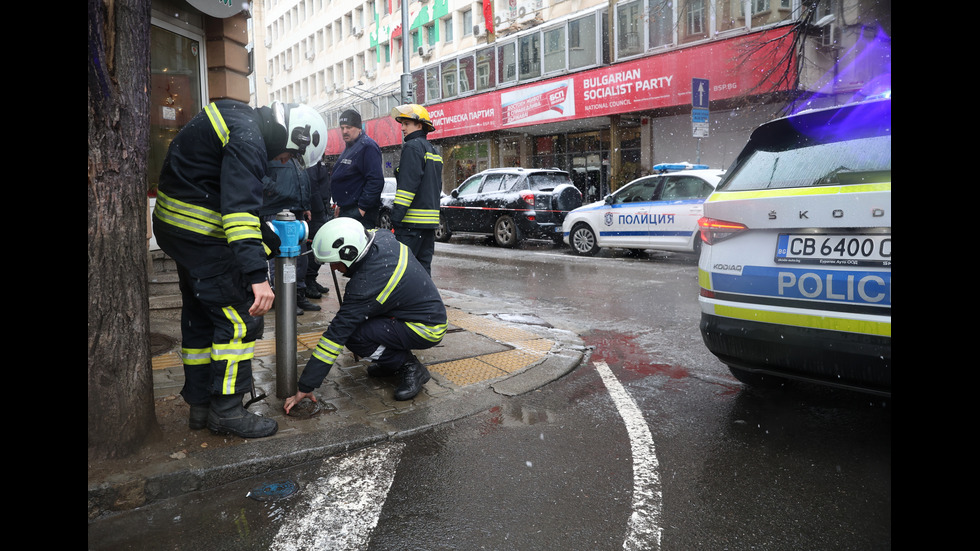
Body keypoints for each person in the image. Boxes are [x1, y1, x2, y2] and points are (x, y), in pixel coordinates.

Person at [153, 100, 326, 439]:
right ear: (290, 136)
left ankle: (200, 408)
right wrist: (258, 278)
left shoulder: (238, 119)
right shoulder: (249, 138)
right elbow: (238, 211)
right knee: (240, 320)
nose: (282, 161)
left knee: (202, 319)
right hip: (201, 235)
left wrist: (271, 243)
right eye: (289, 155)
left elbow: (227, 196)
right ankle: (228, 412)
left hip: (181, 231)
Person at [283, 217, 447, 414]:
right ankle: (391, 361)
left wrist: (306, 386)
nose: (333, 268)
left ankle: (409, 367)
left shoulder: (367, 283)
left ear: (349, 253)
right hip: (414, 313)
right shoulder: (381, 238)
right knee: (362, 325)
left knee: (354, 336)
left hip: (426, 328)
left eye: (334, 263)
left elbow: (335, 336)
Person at [259, 154, 321, 313]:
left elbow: (302, 181)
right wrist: (273, 190)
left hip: (295, 210)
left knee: (300, 257)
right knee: (279, 256)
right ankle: (282, 298)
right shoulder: (272, 149)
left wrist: (305, 205)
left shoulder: (295, 155)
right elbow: (257, 175)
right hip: (275, 209)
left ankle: (298, 295)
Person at [389, 104, 443, 274]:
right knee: (423, 270)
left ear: (419, 125)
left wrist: (395, 218)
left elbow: (407, 189)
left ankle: (406, 301)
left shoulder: (412, 147)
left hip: (411, 225)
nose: (403, 128)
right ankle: (426, 300)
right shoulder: (433, 151)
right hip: (428, 226)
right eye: (402, 124)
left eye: (406, 124)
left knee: (403, 270)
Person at [330, 109, 385, 229]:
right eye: (342, 128)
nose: (345, 131)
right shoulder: (350, 147)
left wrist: (362, 208)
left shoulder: (367, 146)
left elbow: (376, 180)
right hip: (347, 210)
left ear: (359, 128)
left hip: (359, 213)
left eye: (349, 127)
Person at [303, 154, 333, 299]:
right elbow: (312, 186)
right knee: (314, 248)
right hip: (316, 212)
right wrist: (320, 209)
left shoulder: (318, 161)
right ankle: (308, 281)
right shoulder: (312, 162)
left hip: (321, 210)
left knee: (317, 247)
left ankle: (312, 279)